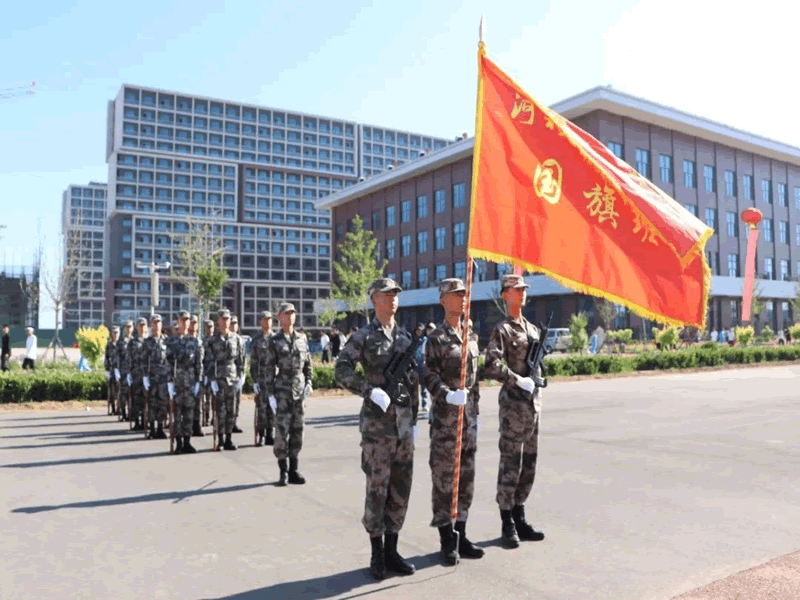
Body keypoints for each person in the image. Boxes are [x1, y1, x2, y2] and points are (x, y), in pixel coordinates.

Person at [334, 277, 419, 581]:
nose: (393, 298)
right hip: (377, 429)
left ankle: (393, 550)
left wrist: (416, 418)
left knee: (400, 490)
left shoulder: (406, 337)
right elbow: (341, 369)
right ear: (374, 300)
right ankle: (376, 554)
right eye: (387, 294)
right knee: (377, 491)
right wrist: (368, 390)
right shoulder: (364, 336)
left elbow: (412, 382)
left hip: (404, 428)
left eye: (395, 294)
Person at [424, 278, 484, 565]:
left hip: (468, 421)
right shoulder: (436, 339)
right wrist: (447, 395)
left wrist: (477, 413)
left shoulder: (470, 336)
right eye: (455, 295)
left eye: (464, 294)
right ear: (443, 301)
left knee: (466, 482)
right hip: (447, 424)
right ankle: (446, 540)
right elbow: (428, 375)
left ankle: (462, 534)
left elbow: (475, 381)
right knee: (445, 482)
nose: (461, 299)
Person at [485, 274, 545, 548]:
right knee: (510, 465)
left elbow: (538, 366)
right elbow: (491, 365)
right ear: (505, 294)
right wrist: (517, 379)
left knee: (529, 465)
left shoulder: (532, 329)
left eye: (523, 290)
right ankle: (506, 520)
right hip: (512, 407)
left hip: (533, 405)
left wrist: (538, 379)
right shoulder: (503, 330)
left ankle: (520, 515)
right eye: (516, 290)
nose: (522, 294)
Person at [264, 303, 312, 485]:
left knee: (298, 431)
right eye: (287, 314)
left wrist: (309, 383)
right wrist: (270, 395)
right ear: (280, 318)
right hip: (282, 391)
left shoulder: (302, 339)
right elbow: (269, 369)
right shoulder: (274, 341)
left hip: (299, 391)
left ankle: (294, 470)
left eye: (293, 313)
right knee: (282, 432)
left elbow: (308, 364)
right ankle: (283, 471)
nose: (291, 316)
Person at [206, 309, 245, 451]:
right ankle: (220, 439)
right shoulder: (212, 341)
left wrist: (241, 376)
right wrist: (212, 380)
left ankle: (229, 438)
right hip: (219, 378)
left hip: (233, 378)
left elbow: (241, 360)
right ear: (218, 321)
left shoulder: (237, 339)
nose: (225, 321)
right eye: (223, 319)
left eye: (227, 319)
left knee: (231, 410)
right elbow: (209, 362)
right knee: (219, 411)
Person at [169, 311, 203, 454]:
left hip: (190, 382)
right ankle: (178, 443)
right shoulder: (172, 341)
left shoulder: (194, 342)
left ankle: (187, 441)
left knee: (189, 413)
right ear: (179, 321)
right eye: (182, 320)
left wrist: (198, 381)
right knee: (177, 414)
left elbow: (198, 363)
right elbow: (168, 362)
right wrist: (169, 382)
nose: (185, 323)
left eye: (187, 320)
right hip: (177, 381)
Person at [140, 314, 173, 440]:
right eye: (154, 323)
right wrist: (145, 376)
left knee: (163, 403)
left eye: (159, 322)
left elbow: (170, 359)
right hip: (152, 376)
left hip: (164, 377)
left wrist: (170, 377)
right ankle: (152, 429)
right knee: (152, 403)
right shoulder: (147, 342)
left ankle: (160, 428)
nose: (157, 325)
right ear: (151, 325)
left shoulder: (166, 340)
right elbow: (143, 360)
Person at [250, 311, 275, 447]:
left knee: (272, 408)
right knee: (261, 408)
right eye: (265, 319)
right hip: (261, 378)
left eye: (270, 319)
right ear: (260, 322)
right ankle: (261, 434)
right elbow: (253, 362)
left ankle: (270, 435)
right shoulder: (257, 340)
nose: (267, 322)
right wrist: (254, 381)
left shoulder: (276, 338)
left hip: (274, 379)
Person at [129, 318, 148, 430]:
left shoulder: (149, 341)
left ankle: (146, 421)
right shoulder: (133, 342)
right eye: (140, 325)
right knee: (137, 399)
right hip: (136, 374)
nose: (142, 328)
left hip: (147, 374)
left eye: (143, 325)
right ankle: (137, 422)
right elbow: (128, 358)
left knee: (148, 399)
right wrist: (128, 374)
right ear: (137, 327)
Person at [230, 315, 245, 434]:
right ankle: (227, 424)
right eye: (232, 323)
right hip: (228, 375)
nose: (233, 326)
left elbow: (242, 358)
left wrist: (242, 374)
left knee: (237, 401)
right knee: (228, 402)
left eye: (235, 324)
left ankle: (234, 422)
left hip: (237, 375)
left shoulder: (240, 340)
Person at [116, 320, 134, 422]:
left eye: (130, 327)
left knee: (132, 394)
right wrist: (116, 369)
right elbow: (116, 356)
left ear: (132, 328)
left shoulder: (134, 341)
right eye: (126, 327)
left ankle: (131, 413)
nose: (128, 329)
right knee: (123, 393)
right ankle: (123, 413)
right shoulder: (120, 342)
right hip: (123, 371)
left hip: (133, 371)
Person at [201, 319, 215, 429]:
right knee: (206, 398)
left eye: (211, 327)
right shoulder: (203, 342)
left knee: (215, 397)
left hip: (215, 373)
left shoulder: (216, 341)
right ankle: (205, 417)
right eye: (207, 328)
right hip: (206, 372)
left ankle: (214, 418)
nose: (209, 330)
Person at [104, 327, 121, 416]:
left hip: (119, 370)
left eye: (117, 333)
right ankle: (113, 408)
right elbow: (106, 357)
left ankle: (119, 408)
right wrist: (107, 370)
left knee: (120, 391)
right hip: (111, 369)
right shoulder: (109, 344)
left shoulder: (121, 344)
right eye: (114, 333)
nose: (115, 335)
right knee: (112, 391)